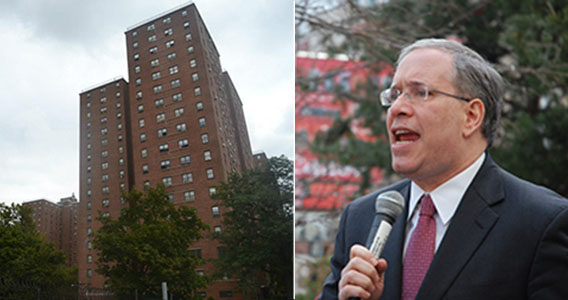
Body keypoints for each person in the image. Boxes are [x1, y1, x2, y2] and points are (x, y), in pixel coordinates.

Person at [318, 38, 568, 300]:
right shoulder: (361, 218)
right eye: (394, 95)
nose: (397, 109)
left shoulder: (542, 223)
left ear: (471, 116)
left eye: (420, 92)